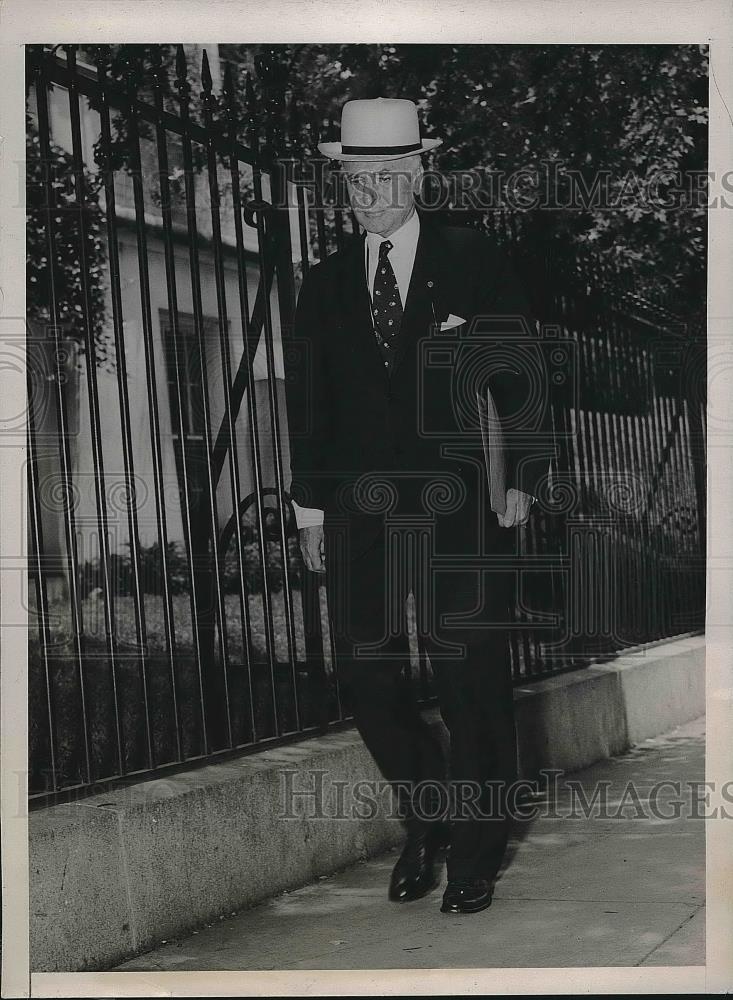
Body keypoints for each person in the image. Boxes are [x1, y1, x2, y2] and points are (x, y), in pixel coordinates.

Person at [284, 97, 553, 914]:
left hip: (462, 502)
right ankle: (429, 815)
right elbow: (310, 403)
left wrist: (522, 480)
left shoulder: (472, 259)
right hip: (360, 505)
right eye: (357, 181)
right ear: (343, 184)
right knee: (366, 675)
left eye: (388, 176)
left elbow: (521, 373)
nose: (372, 194)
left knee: (469, 676)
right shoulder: (325, 282)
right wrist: (308, 508)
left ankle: (476, 852)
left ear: (418, 174)